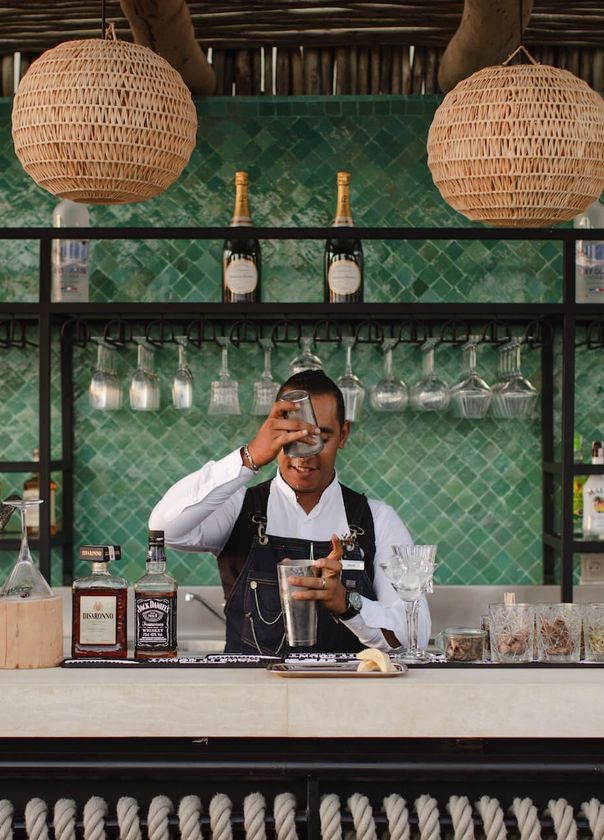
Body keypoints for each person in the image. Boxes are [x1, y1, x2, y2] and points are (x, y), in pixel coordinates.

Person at [149, 369, 430, 655]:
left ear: (343, 434)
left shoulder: (377, 519)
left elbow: (414, 634)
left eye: (319, 437)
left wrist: (349, 605)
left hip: (347, 695)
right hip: (250, 695)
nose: (304, 454)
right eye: (291, 437)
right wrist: (249, 457)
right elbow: (164, 528)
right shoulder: (236, 509)